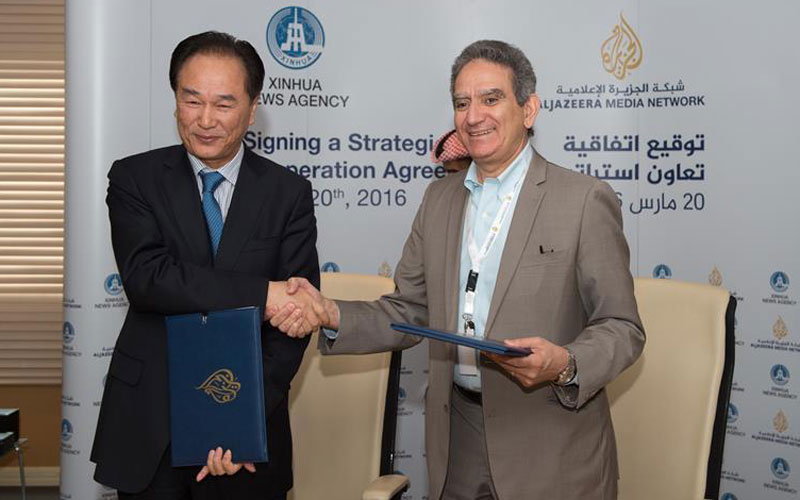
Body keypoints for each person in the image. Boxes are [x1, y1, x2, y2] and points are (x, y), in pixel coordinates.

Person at [270, 39, 645, 500]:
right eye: (462, 103)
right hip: (457, 441)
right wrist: (330, 313)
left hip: (550, 443)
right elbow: (408, 311)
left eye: (491, 99)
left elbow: (622, 327)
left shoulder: (583, 200)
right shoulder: (439, 200)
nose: (473, 116)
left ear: (529, 110)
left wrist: (565, 364)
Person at [91, 31, 320, 500]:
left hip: (247, 434)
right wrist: (263, 293)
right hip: (149, 425)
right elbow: (148, 279)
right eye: (191, 100)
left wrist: (237, 419)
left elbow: (293, 322)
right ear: (175, 99)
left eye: (224, 104)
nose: (205, 120)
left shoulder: (287, 194)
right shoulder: (135, 178)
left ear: (252, 109)